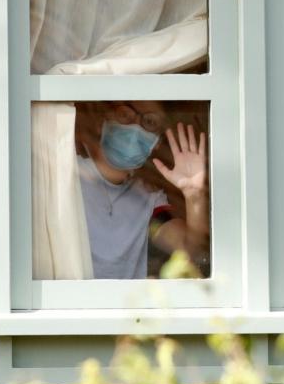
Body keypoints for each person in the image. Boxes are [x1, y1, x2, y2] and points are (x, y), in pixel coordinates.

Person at [75, 101, 209, 279]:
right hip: (65, 304)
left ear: (157, 143)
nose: (135, 126)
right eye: (125, 114)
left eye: (150, 122)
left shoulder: (149, 198)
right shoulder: (64, 176)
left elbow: (188, 249)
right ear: (102, 123)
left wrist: (194, 196)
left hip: (128, 305)